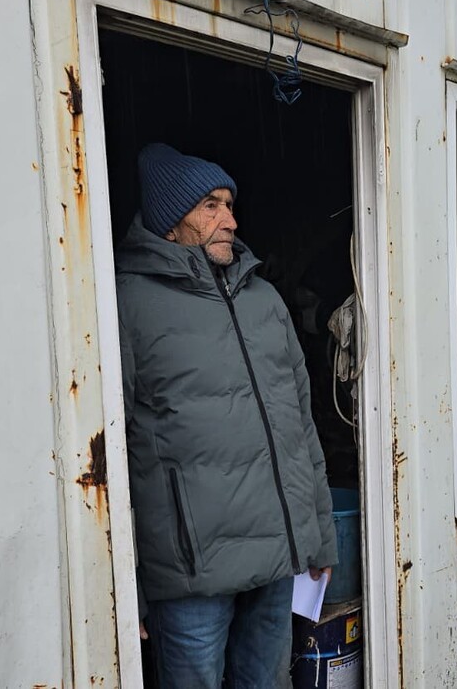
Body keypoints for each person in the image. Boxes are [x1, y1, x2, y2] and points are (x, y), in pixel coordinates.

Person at [116, 143, 337, 688]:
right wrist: (126, 580)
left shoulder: (264, 299)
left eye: (230, 206)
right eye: (211, 206)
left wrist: (320, 535)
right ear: (171, 220)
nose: (231, 221)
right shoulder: (126, 302)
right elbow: (110, 449)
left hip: (276, 555)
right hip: (191, 572)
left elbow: (300, 426)